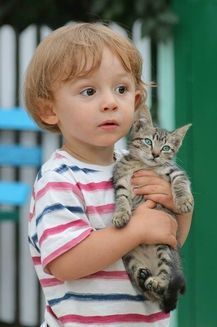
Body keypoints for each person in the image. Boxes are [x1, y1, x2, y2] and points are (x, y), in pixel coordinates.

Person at [24, 23, 192, 327]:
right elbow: (65, 263)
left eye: (122, 89)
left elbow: (168, 242)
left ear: (137, 102)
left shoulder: (140, 170)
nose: (110, 102)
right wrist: (135, 230)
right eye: (89, 91)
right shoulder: (59, 178)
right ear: (50, 110)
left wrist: (177, 210)